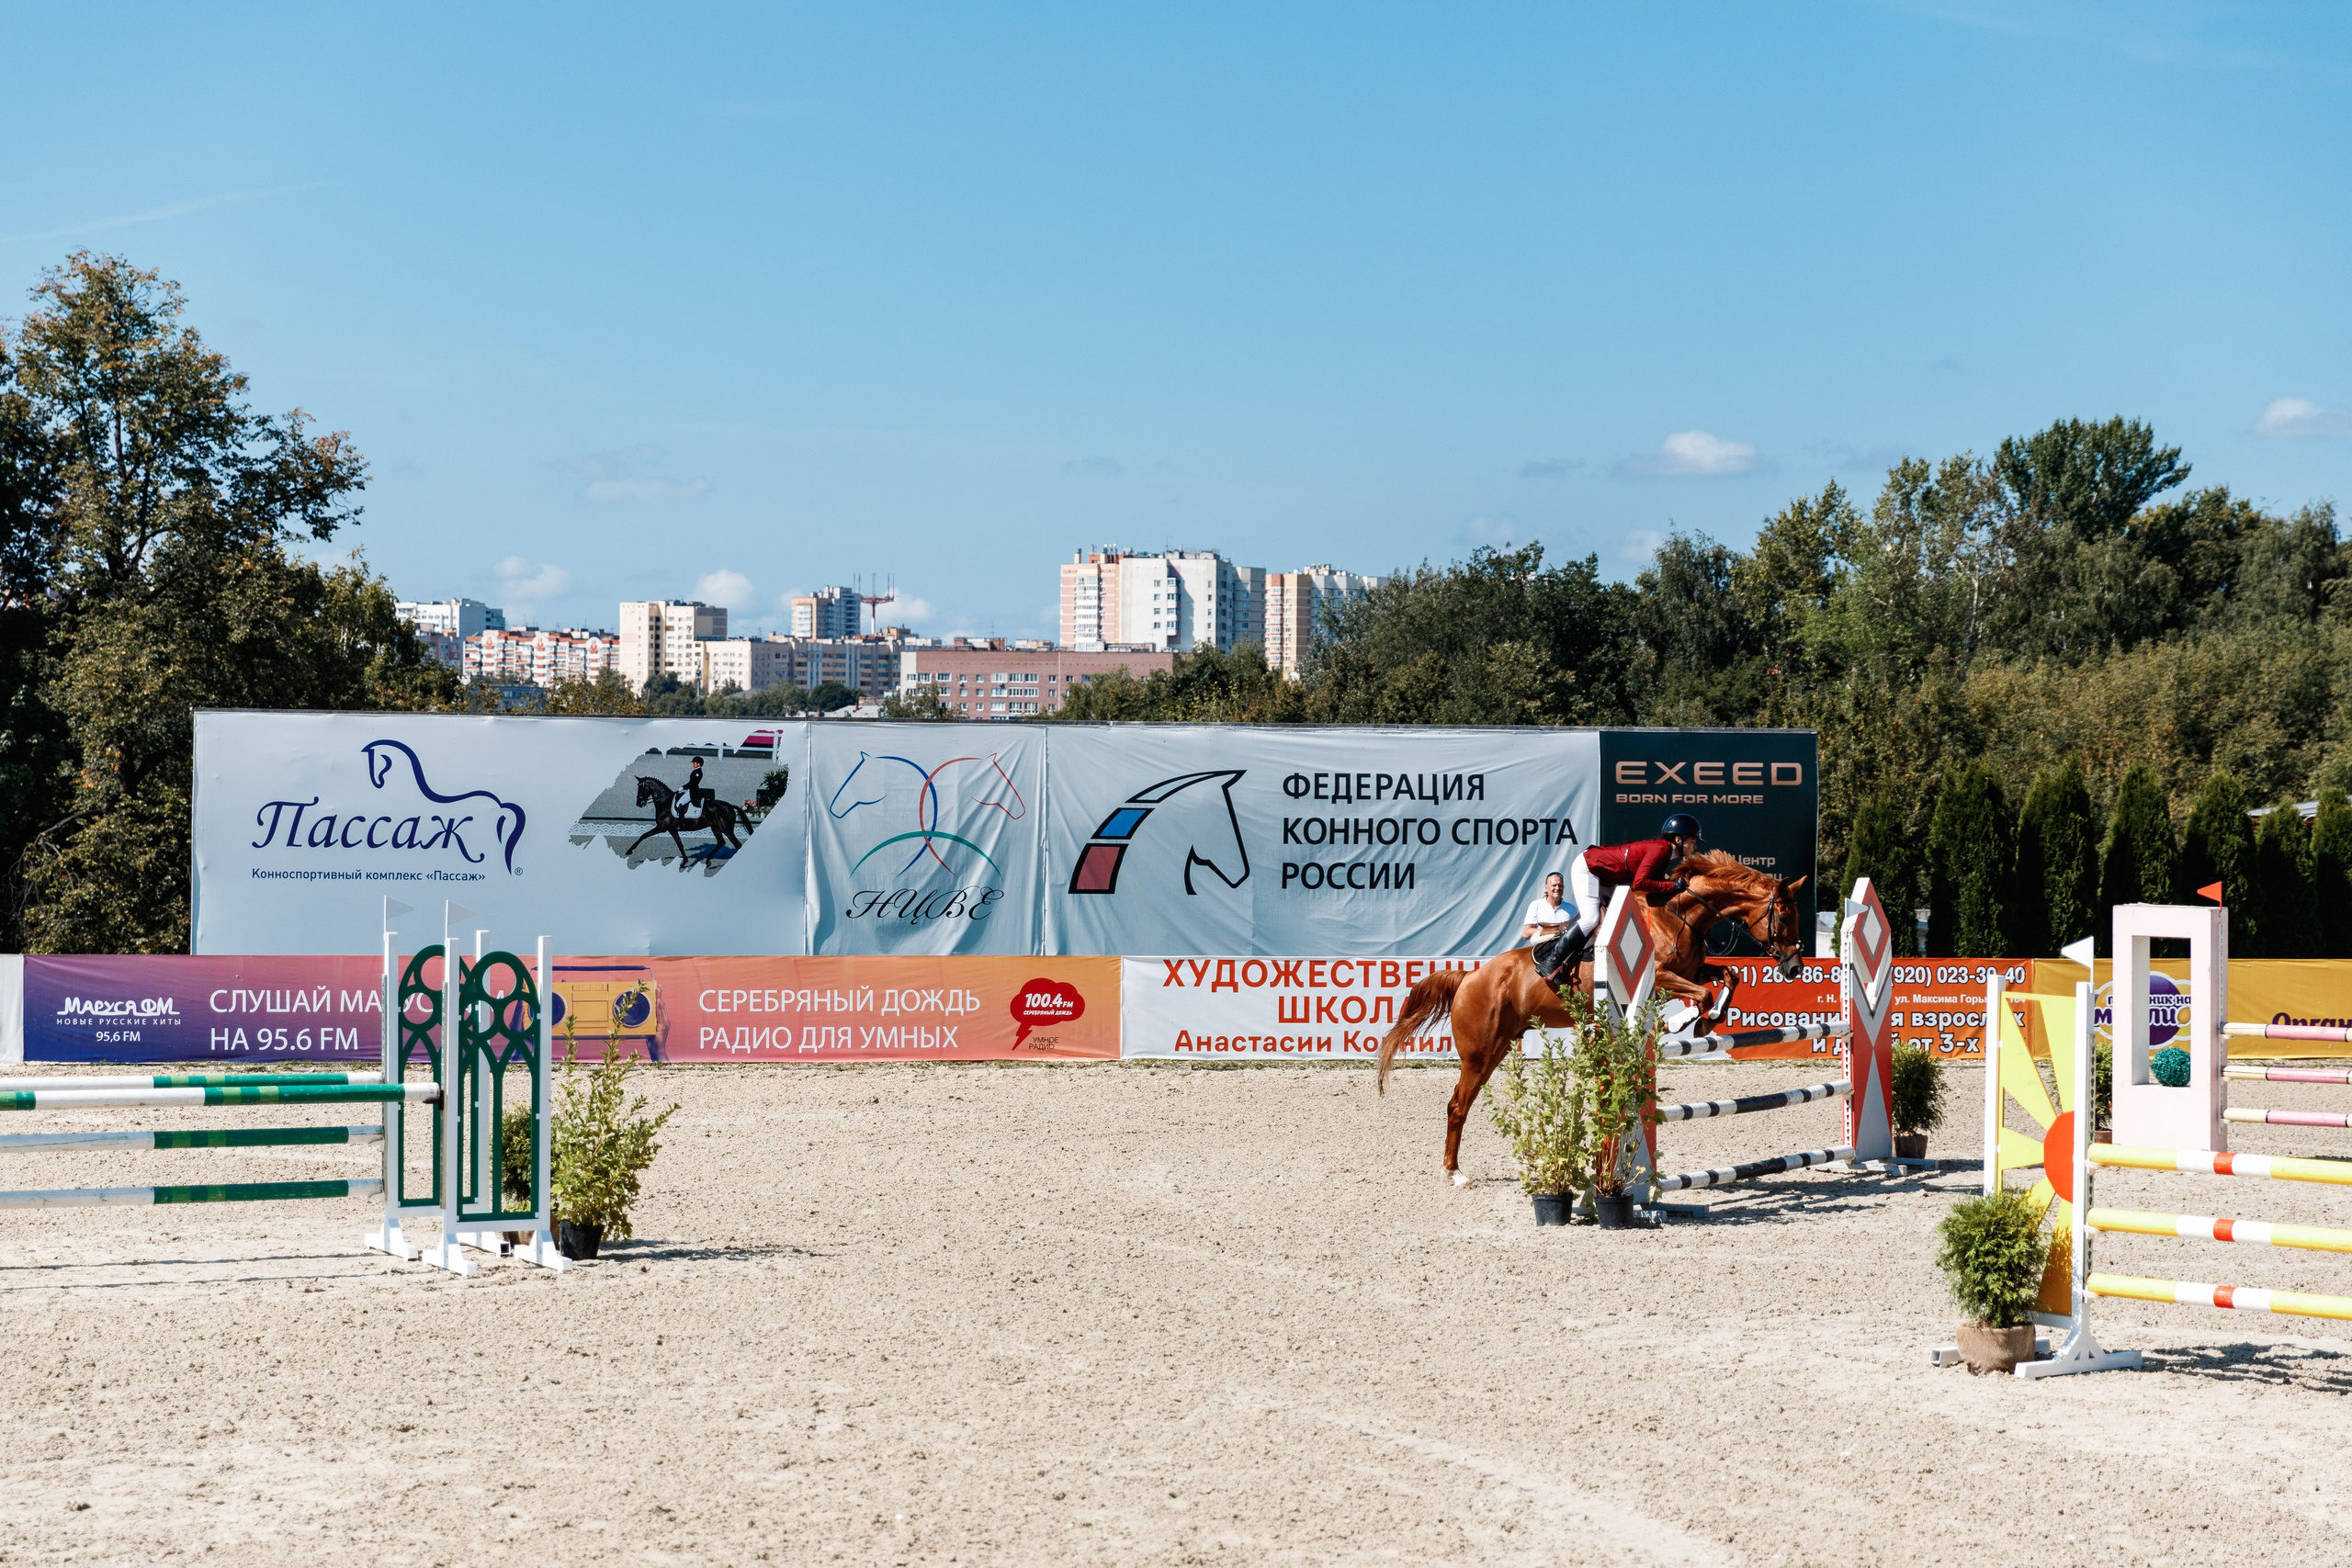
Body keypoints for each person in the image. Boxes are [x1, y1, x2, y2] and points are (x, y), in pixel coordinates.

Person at [1561, 812, 1705, 948]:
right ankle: (1553, 959)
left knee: (1624, 915)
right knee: (1591, 919)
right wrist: (1672, 886)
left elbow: (1658, 882)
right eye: (1692, 841)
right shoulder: (1660, 850)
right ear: (1678, 839)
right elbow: (1640, 883)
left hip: (1606, 878)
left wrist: (1673, 884)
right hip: (1589, 867)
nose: (1695, 846)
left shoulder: (1664, 852)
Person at [1522, 872, 1574, 945]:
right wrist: (1551, 932)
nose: (1557, 888)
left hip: (1565, 950)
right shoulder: (1536, 905)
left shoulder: (1571, 909)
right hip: (1541, 951)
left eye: (1560, 885)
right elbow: (1526, 933)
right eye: (1554, 885)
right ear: (1546, 888)